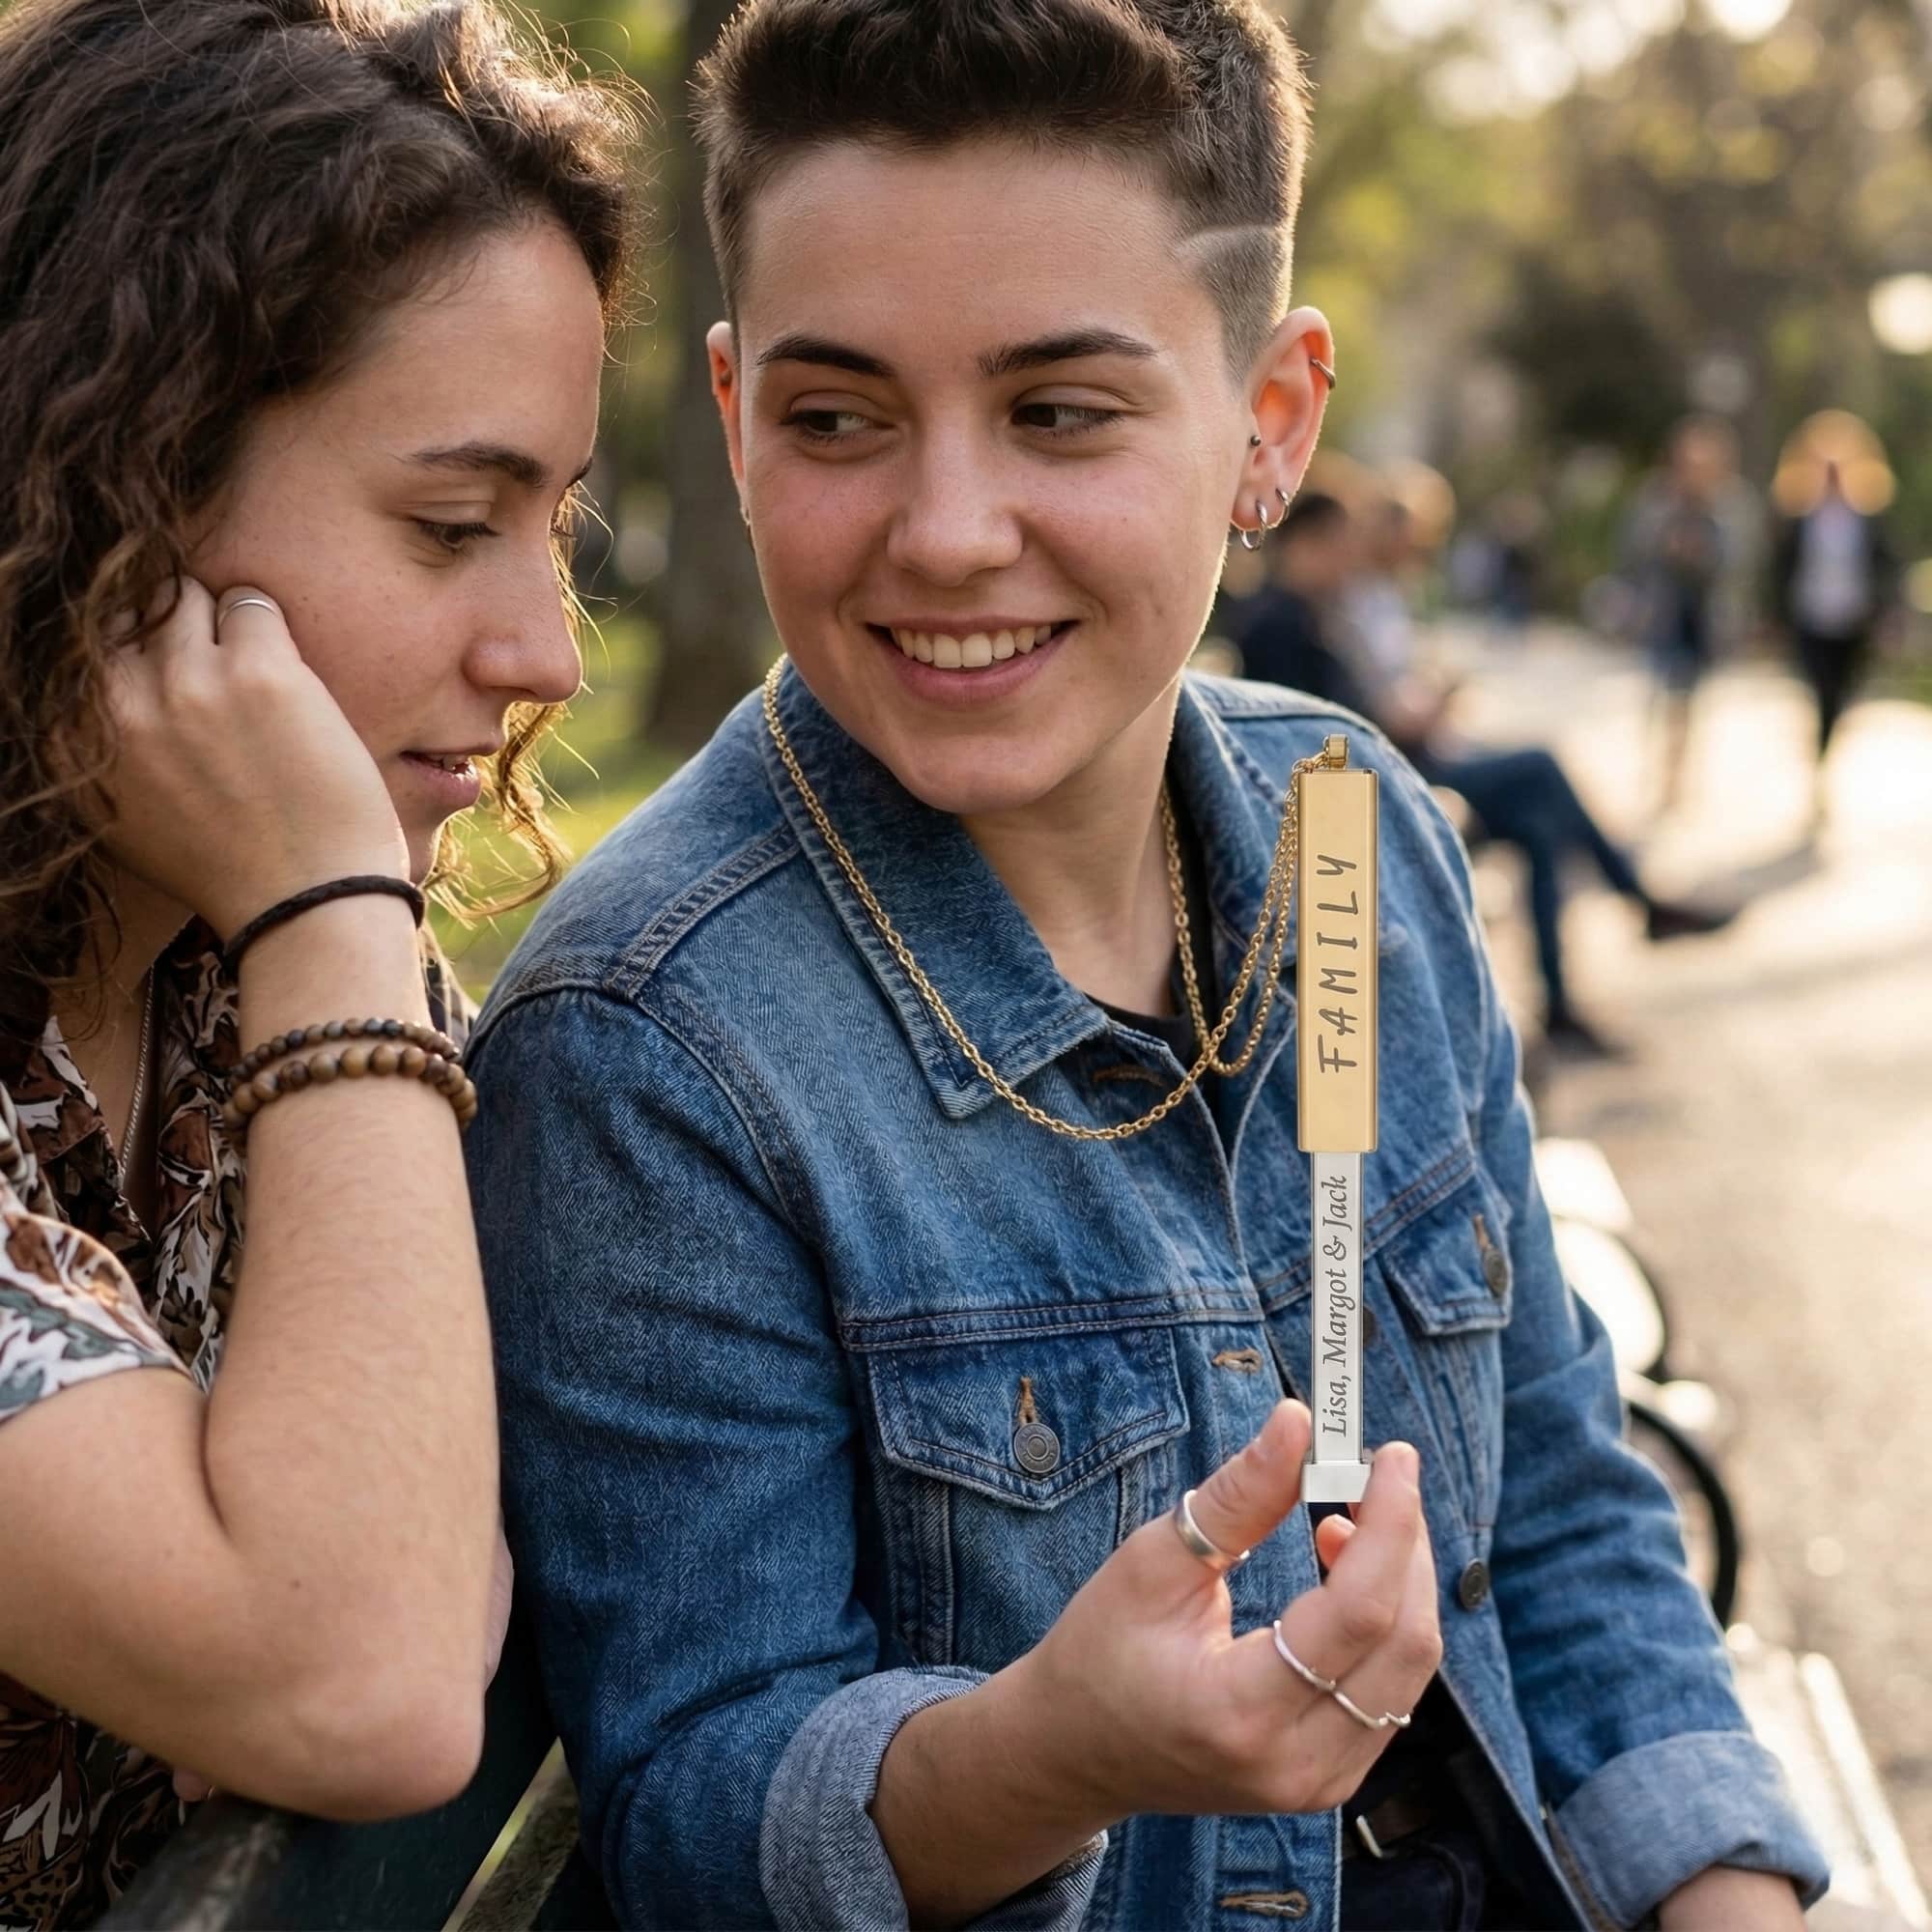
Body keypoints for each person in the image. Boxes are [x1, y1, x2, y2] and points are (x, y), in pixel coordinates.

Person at [468, 4, 1828, 1927]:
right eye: (837, 416)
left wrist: (1727, 1897)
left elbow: (1557, 1503)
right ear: (731, 411)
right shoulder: (653, 1045)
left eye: (1058, 412)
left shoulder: (1349, 838)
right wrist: (1053, 1755)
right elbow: (702, 1805)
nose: (946, 532)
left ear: (1269, 423)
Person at [0, 0, 632, 1921]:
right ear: (118, 482)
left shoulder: (214, 984)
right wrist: (326, 910)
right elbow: (363, 1688)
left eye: (558, 520)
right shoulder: (299, 948)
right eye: (453, 523)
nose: (550, 651)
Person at [1236, 495, 1733, 1060]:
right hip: (1376, 788)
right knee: (1542, 766)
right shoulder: (1281, 621)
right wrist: (1412, 714)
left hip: (1389, 771)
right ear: (1308, 545)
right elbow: (1321, 736)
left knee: (1539, 829)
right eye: (1341, 545)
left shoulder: (1311, 613)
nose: (1352, 558)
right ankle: (1638, 900)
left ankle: (1564, 1002)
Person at [1620, 416, 1757, 814]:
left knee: (1691, 699)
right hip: (1662, 613)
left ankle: (1678, 776)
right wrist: (1668, 545)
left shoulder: (1731, 505)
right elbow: (1633, 550)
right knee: (1658, 693)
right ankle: (1655, 769)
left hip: (1704, 617)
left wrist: (1705, 552)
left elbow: (1742, 561)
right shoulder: (1657, 499)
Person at [1769, 412, 1901, 817]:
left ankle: (1825, 751)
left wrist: (1888, 615)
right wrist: (1773, 618)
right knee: (1821, 692)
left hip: (1851, 622)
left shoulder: (1867, 518)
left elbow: (1885, 567)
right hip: (1811, 619)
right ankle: (1818, 769)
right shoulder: (1799, 519)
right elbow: (1779, 570)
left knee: (1841, 698)